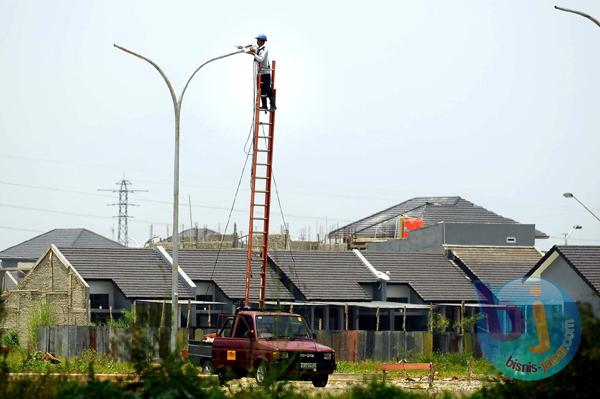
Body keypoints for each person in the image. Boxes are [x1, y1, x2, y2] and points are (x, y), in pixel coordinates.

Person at [238, 34, 276, 111]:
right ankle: (264, 105)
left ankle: (273, 105)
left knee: (267, 89)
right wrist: (243, 49)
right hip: (260, 73)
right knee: (261, 89)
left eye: (258, 40)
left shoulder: (265, 50)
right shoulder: (258, 48)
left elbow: (260, 59)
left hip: (265, 72)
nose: (257, 41)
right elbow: (251, 52)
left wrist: (253, 53)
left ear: (262, 41)